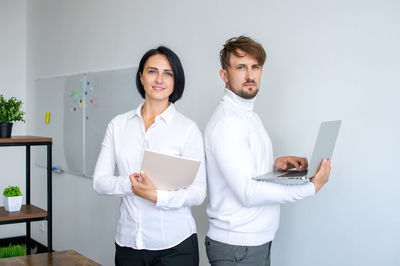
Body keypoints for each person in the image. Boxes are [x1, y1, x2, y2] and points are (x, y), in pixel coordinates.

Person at [204, 36, 331, 266]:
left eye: (255, 67)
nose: (250, 75)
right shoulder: (228, 123)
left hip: (253, 244)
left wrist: (274, 164)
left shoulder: (249, 117)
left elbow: (241, 167)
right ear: (225, 75)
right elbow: (248, 192)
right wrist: (310, 187)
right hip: (237, 248)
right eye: (240, 67)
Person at [93, 46, 206, 266]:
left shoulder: (188, 129)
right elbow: (99, 182)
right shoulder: (118, 125)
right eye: (152, 71)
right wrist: (131, 185)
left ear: (175, 81)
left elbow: (198, 193)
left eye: (168, 73)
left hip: (175, 246)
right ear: (141, 78)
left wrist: (157, 196)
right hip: (128, 243)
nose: (160, 79)